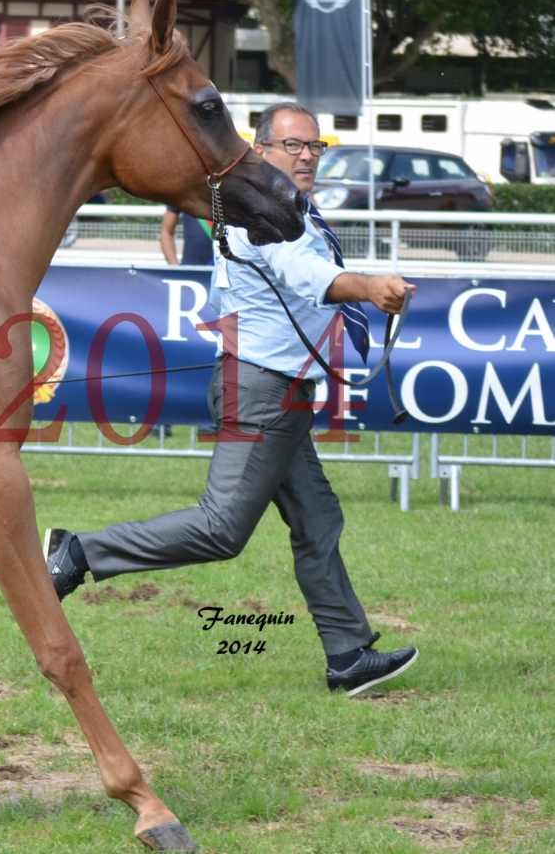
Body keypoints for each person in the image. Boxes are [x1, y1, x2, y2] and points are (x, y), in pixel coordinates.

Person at [44, 101, 420, 697]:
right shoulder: (260, 211)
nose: (305, 156)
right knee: (222, 529)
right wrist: (371, 286)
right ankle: (79, 552)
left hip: (278, 387)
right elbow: (305, 275)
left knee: (318, 519)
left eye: (313, 147)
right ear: (261, 148)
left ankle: (348, 655)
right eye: (292, 145)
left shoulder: (277, 206)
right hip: (260, 390)